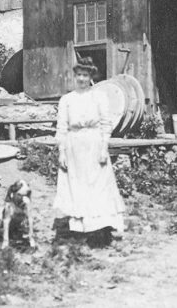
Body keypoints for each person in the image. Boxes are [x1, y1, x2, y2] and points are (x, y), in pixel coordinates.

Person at [54, 56, 126, 245]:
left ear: (91, 77)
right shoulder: (67, 99)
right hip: (74, 147)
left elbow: (106, 123)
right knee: (77, 186)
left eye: (85, 75)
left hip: (94, 145)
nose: (81, 79)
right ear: (74, 76)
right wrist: (62, 152)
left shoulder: (99, 96)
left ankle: (101, 229)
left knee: (98, 186)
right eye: (79, 75)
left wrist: (103, 148)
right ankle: (81, 228)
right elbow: (61, 127)